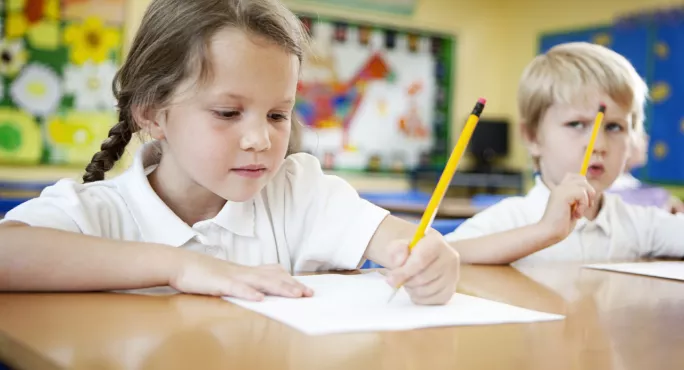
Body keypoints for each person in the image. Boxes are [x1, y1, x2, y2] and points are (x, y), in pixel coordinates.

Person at [0, 0, 459, 304]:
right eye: (226, 112)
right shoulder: (99, 214)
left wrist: (427, 256)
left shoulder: (297, 192)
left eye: (278, 115)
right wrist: (179, 266)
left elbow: (401, 242)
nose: (260, 139)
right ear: (153, 114)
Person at [444, 42, 684, 265]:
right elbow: (443, 256)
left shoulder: (638, 224)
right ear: (532, 137)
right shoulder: (513, 218)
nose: (598, 144)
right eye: (577, 124)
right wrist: (543, 231)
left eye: (614, 127)